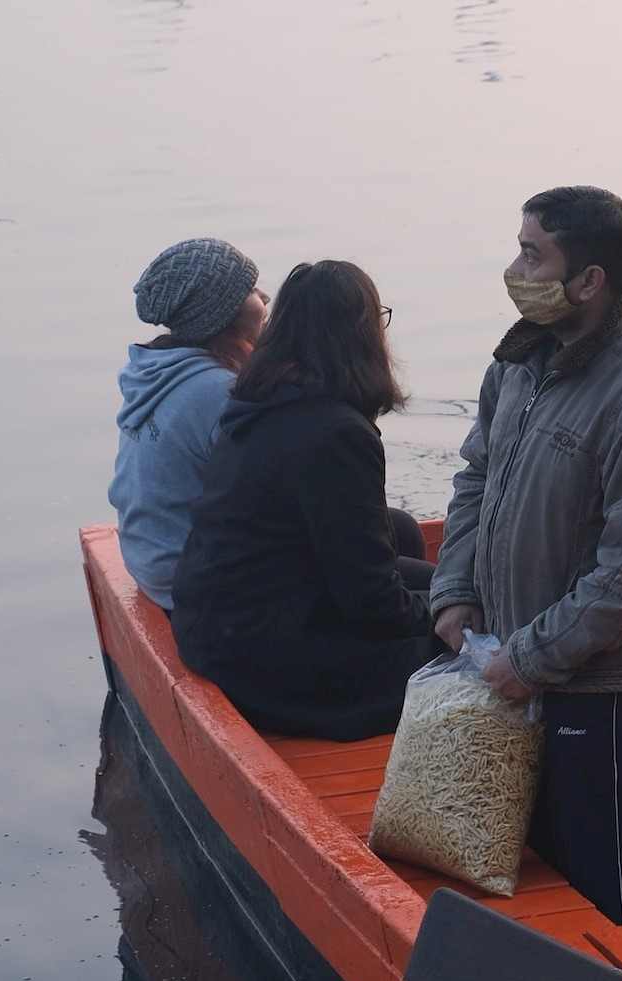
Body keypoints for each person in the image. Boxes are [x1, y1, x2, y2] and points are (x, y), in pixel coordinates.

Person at [429, 186, 622, 926]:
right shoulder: (520, 360)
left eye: (532, 253)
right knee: (531, 872)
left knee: (601, 887)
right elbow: (475, 477)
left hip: (598, 691)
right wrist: (454, 590)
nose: (515, 268)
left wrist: (532, 658)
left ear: (590, 281)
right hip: (508, 665)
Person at [169, 260, 434, 741]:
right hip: (265, 662)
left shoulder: (261, 400)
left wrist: (444, 597)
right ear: (362, 335)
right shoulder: (335, 433)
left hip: (217, 628)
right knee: (460, 644)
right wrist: (453, 616)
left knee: (439, 582)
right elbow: (369, 599)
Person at [112, 238, 267, 609]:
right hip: (189, 580)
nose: (264, 294)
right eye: (248, 289)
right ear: (222, 313)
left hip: (151, 559)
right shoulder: (219, 391)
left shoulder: (154, 367)